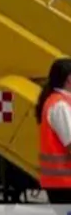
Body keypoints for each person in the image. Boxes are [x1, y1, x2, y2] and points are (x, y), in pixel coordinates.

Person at [38, 57, 71, 204]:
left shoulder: (60, 101)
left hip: (60, 183)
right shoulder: (60, 106)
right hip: (64, 184)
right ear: (69, 79)